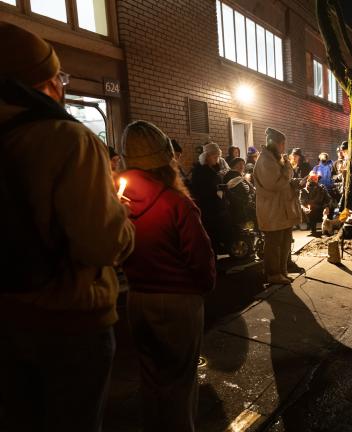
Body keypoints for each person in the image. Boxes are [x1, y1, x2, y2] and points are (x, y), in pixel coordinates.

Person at [0, 22, 135, 431]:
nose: (62, 84)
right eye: (58, 76)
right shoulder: (68, 140)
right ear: (42, 82)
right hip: (69, 321)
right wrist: (119, 214)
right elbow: (102, 244)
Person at [120, 121, 216, 432]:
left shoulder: (115, 200)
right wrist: (203, 287)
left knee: (150, 381)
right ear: (166, 157)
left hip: (136, 297)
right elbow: (200, 261)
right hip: (178, 301)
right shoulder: (176, 203)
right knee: (179, 384)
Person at [254, 128, 301, 285]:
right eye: (282, 144)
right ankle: (273, 274)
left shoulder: (275, 158)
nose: (283, 148)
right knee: (274, 244)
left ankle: (282, 272)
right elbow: (275, 184)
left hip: (282, 210)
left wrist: (295, 183)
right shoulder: (265, 160)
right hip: (272, 210)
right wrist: (288, 170)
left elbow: (284, 181)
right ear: (275, 144)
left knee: (285, 241)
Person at [191, 142, 231, 253]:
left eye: (218, 156)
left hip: (215, 207)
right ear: (207, 156)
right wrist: (218, 189)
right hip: (208, 209)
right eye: (215, 156)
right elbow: (201, 190)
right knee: (211, 235)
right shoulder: (200, 171)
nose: (217, 159)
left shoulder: (212, 168)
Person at [224, 157, 256, 227]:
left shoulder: (240, 176)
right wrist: (244, 201)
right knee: (242, 227)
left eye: (243, 164)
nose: (242, 166)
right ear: (233, 165)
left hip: (243, 206)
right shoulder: (231, 175)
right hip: (237, 208)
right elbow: (235, 192)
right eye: (239, 164)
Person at [332, 141, 349, 208]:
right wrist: (339, 176)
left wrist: (343, 172)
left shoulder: (348, 160)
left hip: (346, 188)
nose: (340, 153)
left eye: (342, 151)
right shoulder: (335, 163)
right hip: (339, 188)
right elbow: (333, 176)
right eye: (338, 151)